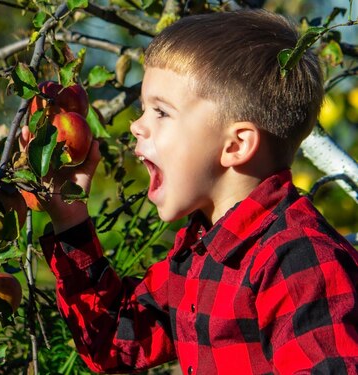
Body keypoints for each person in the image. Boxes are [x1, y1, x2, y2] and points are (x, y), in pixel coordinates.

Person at [36, 9, 358, 374]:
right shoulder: (200, 252)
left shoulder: (300, 261)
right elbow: (116, 342)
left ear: (235, 145)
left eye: (161, 112)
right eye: (143, 109)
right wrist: (70, 217)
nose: (136, 125)